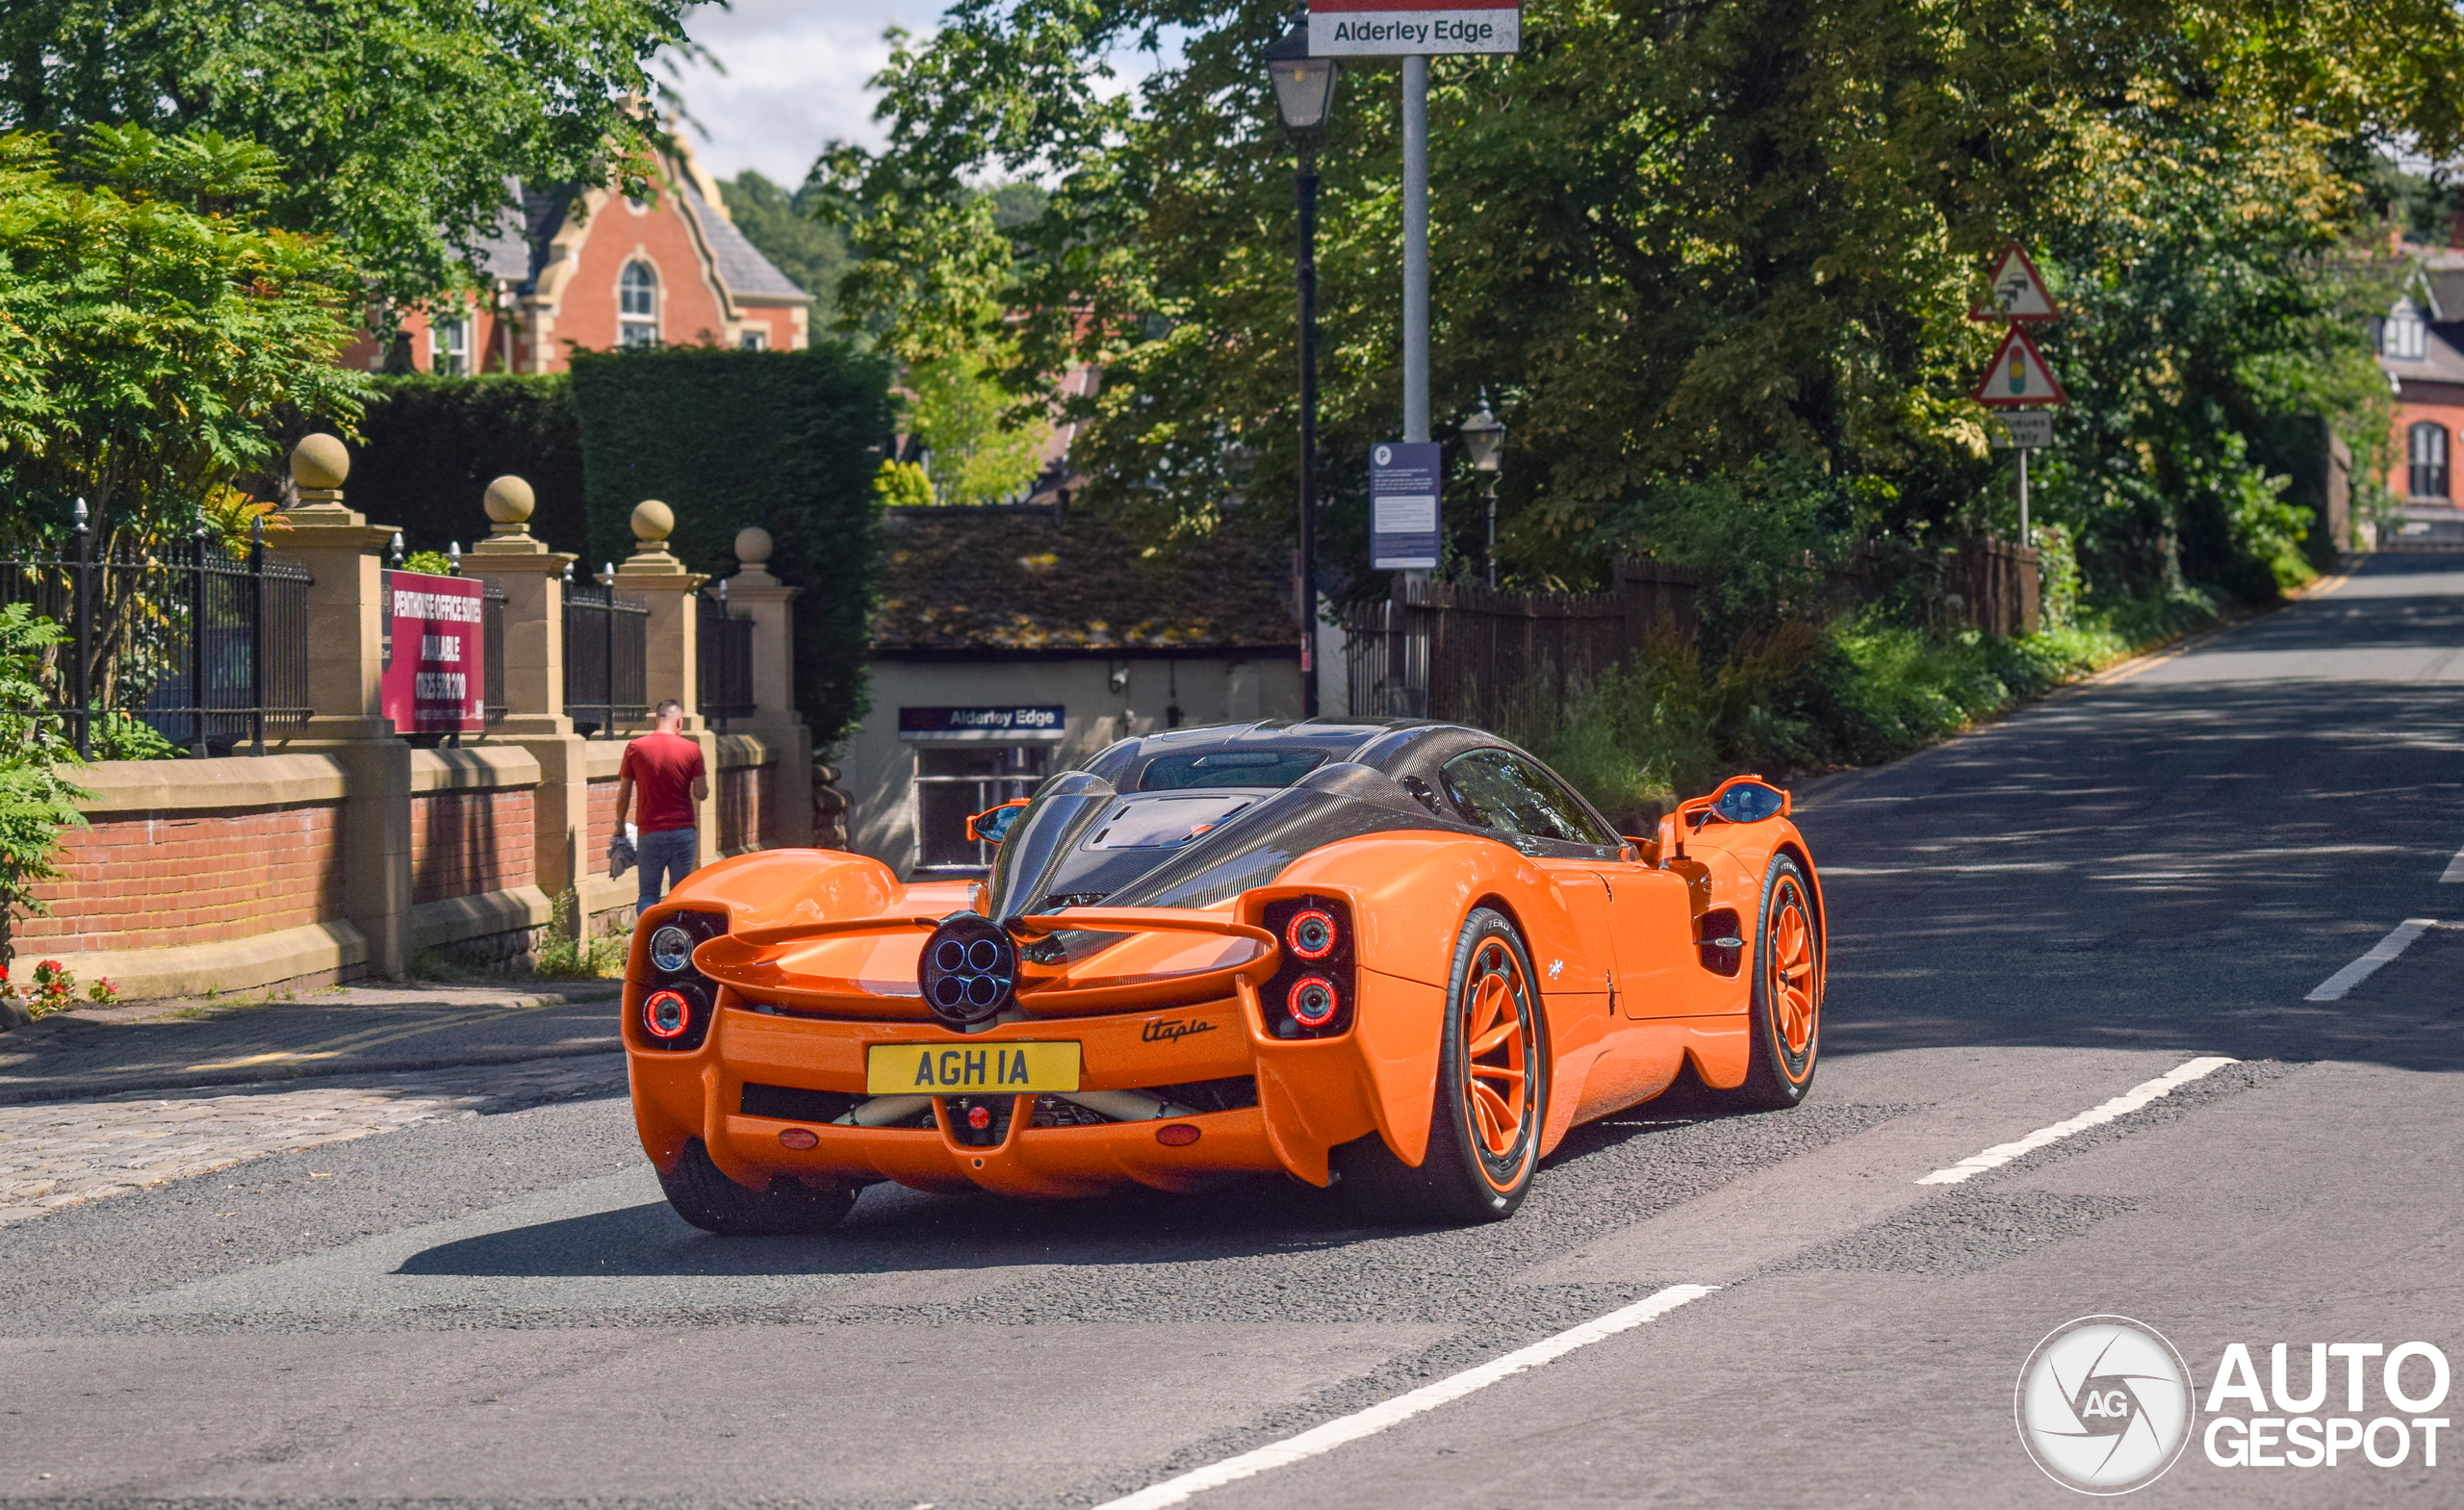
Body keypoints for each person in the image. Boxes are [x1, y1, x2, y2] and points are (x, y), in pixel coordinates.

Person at [616, 699, 707, 909]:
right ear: (680, 720)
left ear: (656, 720)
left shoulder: (635, 747)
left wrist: (619, 825)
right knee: (680, 894)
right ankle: (674, 939)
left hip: (650, 832)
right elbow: (701, 792)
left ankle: (649, 936)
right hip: (683, 832)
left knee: (648, 894)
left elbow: (624, 794)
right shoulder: (691, 749)